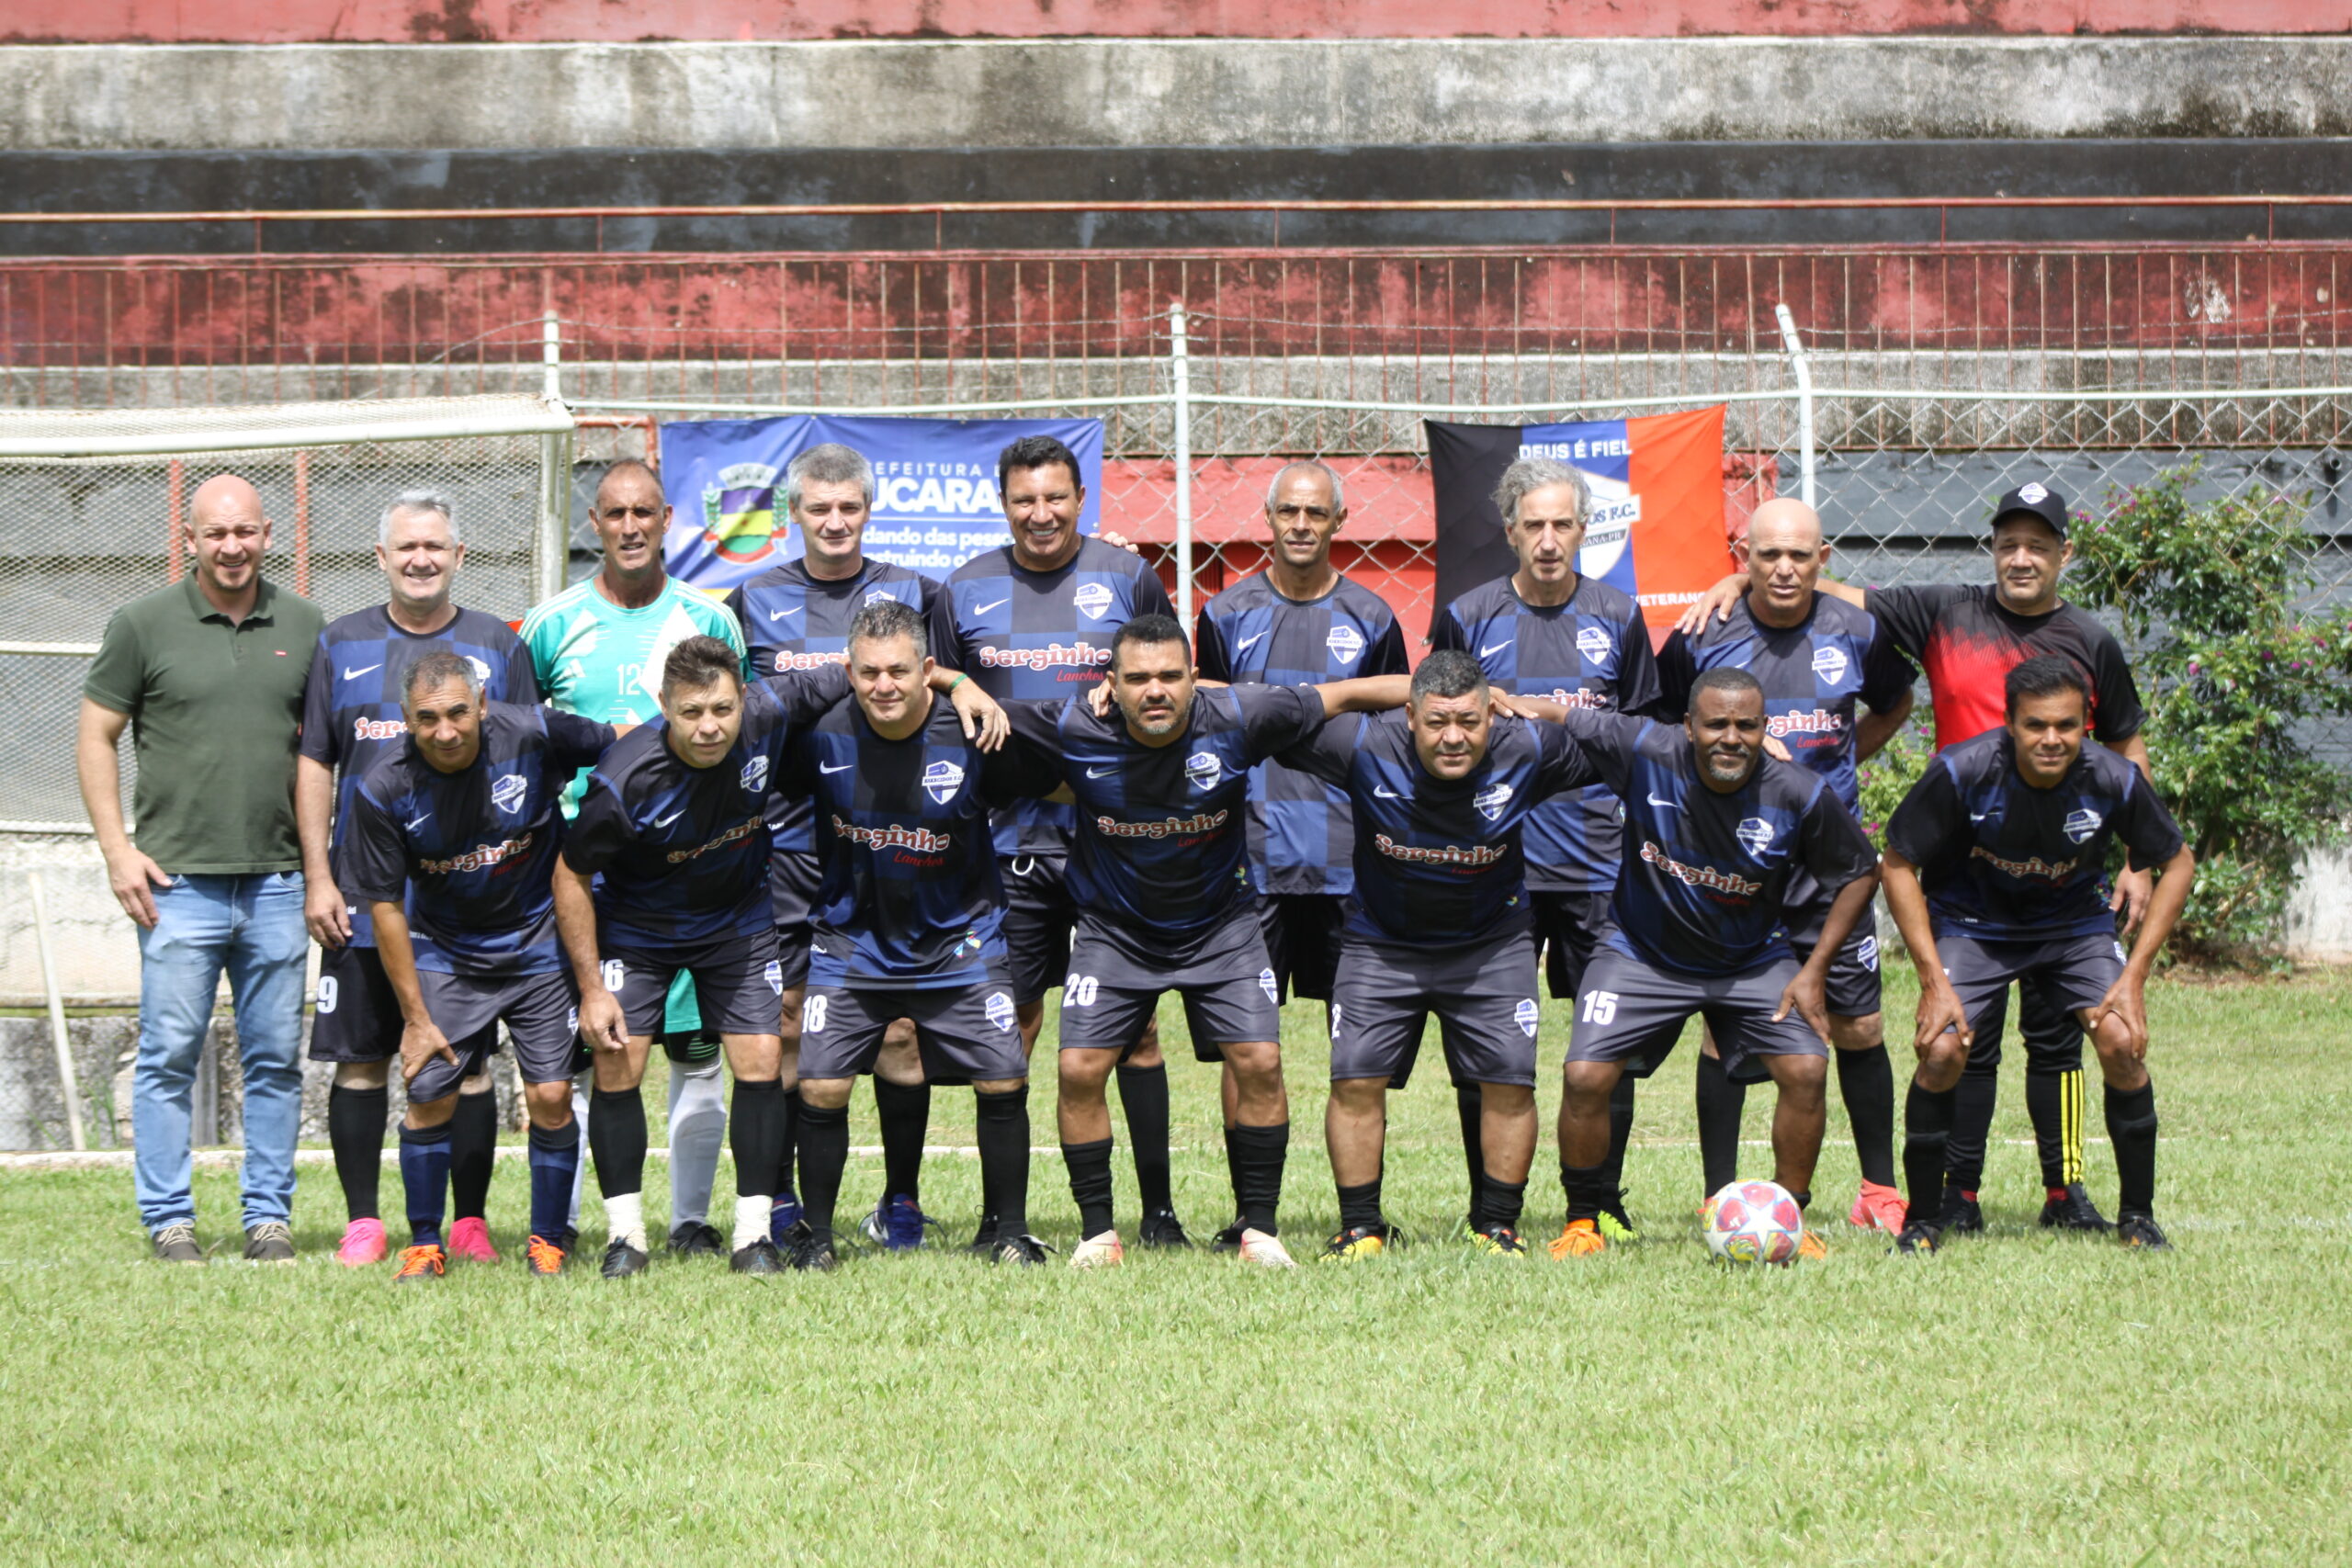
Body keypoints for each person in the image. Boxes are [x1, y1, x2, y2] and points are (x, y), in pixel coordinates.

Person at [1679, 481, 2152, 1230]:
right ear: (1991, 548)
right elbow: (1822, 585)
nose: (2022, 558)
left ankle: (2065, 1188)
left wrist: (2138, 856)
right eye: (2009, 543)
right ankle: (1958, 1192)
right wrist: (1738, 577)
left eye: (2039, 545)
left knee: (2058, 1036)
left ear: (2065, 553)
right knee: (1966, 1036)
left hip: (2065, 865)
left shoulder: (2091, 640)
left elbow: (2126, 741)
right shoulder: (1945, 610)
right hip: (1964, 862)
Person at [555, 636, 1001, 1278]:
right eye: (690, 713)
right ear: (663, 707)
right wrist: (594, 988)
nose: (709, 727)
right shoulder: (624, 778)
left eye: (721, 708)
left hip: (737, 922)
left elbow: (866, 670)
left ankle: (753, 1235)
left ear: (744, 698)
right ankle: (626, 1237)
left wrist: (957, 684)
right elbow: (570, 875)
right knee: (619, 1062)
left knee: (762, 1060)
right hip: (639, 929)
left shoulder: (770, 708)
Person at [1007, 615, 1409, 1269]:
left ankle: (1261, 1228)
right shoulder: (1072, 723)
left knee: (1259, 1061)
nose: (1155, 690)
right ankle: (1098, 1232)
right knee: (1079, 1069)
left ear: (1197, 679)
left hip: (1221, 927)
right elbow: (951, 708)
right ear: (1110, 684)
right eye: (1137, 678)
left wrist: (1440, 697)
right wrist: (959, 681)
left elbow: (1346, 694)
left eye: (1170, 675)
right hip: (1114, 930)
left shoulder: (1241, 713)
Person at [928, 434, 1192, 1249]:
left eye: (1055, 498)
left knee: (1136, 1026)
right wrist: (959, 679)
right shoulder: (965, 588)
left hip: (1114, 838)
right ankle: (1002, 1220)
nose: (1040, 515)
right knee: (1015, 1022)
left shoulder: (1127, 576)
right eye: (1023, 501)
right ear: (1002, 505)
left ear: (1083, 498)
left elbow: (1168, 680)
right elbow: (928, 687)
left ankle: (1158, 1216)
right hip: (1007, 843)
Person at [1273, 649, 1602, 1259]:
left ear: (1492, 717)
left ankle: (1497, 1226)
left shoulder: (1528, 748)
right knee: (1355, 1080)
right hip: (1380, 944)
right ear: (1409, 716)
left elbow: (1628, 746)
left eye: (1469, 721)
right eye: (1437, 721)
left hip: (1493, 945)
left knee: (1509, 1083)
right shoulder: (1362, 745)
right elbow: (1259, 715)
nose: (1454, 737)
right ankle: (1361, 1229)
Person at [1545, 667, 1881, 1259]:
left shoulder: (1799, 793)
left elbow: (1859, 873)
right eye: (1717, 724)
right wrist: (1493, 702)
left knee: (1805, 1070)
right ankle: (1582, 1221)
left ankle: (1789, 1216)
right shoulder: (1646, 749)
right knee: (1584, 1076)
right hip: (1640, 954)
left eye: (1747, 725)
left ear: (1765, 729)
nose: (1732, 737)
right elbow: (1561, 714)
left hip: (1752, 960)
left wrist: (1813, 970)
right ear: (1688, 727)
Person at [77, 473, 325, 1264]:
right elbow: (94, 736)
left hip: (280, 882)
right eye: (215, 533)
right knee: (168, 1057)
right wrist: (119, 851)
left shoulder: (307, 625)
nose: (232, 547)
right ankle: (169, 1219)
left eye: (245, 531)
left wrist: (323, 868)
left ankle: (268, 1218)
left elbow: (325, 754)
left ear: (267, 534)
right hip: (175, 885)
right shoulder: (143, 624)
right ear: (189, 539)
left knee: (274, 1059)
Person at [1655, 497, 1917, 1233]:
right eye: (1768, 554)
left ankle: (1878, 1191)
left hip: (1829, 868)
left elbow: (1896, 704)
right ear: (1743, 554)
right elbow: (1660, 722)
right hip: (1736, 863)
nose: (1783, 568)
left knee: (1859, 1025)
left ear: (1822, 560)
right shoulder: (1705, 630)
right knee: (1726, 1029)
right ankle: (1720, 1195)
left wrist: (1824, 775)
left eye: (1800, 555)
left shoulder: (1857, 630)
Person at [297, 488, 540, 1269]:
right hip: (364, 898)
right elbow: (314, 763)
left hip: (464, 905)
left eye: (434, 546)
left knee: (461, 1064)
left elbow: (528, 757)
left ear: (458, 555)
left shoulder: (497, 646)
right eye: (406, 547)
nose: (421, 558)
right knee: (364, 1055)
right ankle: (365, 1221)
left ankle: (467, 1220)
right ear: (382, 558)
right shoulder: (340, 644)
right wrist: (317, 875)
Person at [778, 601, 1058, 1270]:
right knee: (819, 1085)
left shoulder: (975, 731)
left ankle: (1007, 1231)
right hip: (853, 939)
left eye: (900, 670)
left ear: (928, 669)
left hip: (959, 938)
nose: (884, 685)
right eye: (869, 671)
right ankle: (816, 1239)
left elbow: (1065, 773)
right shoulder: (817, 736)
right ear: (848, 671)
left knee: (1001, 1076)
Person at [1881, 657, 2194, 1253]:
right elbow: (1896, 862)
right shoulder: (1961, 771)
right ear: (2009, 723)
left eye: (2067, 725)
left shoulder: (2112, 777)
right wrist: (1931, 979)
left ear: (2085, 726)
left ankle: (2137, 1218)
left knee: (2123, 1042)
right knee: (1944, 1048)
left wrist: (2135, 975)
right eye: (2036, 725)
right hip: (1972, 926)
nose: (2052, 738)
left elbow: (2177, 862)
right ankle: (1924, 1219)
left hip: (2072, 927)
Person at [1429, 456, 1663, 1240]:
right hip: (1494, 861)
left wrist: (1541, 712)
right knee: (1489, 1040)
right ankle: (1487, 1209)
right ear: (1509, 532)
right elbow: (1434, 727)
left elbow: (1640, 737)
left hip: (1599, 859)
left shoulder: (1619, 615)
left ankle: (1599, 1202)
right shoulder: (1466, 616)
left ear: (1585, 530)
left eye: (1564, 523)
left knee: (1608, 1040)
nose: (1550, 539)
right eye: (1534, 524)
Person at [518, 459, 748, 1259]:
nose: (628, 526)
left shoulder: (709, 618)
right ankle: (589, 1222)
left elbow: (738, 730)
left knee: (697, 1050)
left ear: (668, 517)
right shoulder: (548, 623)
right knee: (602, 1052)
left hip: (697, 872)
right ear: (593, 520)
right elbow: (525, 742)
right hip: (592, 876)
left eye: (643, 511)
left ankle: (690, 1220)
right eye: (614, 512)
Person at [722, 443, 942, 1252]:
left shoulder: (917, 592)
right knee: (783, 1024)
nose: (835, 522)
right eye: (820, 508)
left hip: (884, 834)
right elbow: (734, 709)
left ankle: (902, 1198)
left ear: (868, 510)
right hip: (784, 839)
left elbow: (945, 675)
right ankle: (779, 1195)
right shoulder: (753, 599)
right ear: (795, 515)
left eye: (849, 507)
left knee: (898, 1026)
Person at [341, 654, 619, 1280]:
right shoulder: (384, 787)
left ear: (483, 706)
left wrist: (607, 826)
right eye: (428, 718)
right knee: (429, 1093)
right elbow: (384, 907)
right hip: (447, 952)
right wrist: (414, 1017)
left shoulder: (534, 733)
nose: (446, 730)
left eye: (458, 713)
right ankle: (424, 1241)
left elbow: (623, 745)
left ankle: (547, 1241)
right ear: (407, 721)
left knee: (551, 1094)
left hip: (539, 945)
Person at [1194, 460, 1410, 1020]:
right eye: (1288, 510)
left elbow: (1392, 735)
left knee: (1359, 1034)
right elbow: (1213, 728)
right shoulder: (1223, 615)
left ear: (1340, 520)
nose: (1301, 523)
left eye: (1316, 511)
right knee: (1245, 1039)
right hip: (1250, 858)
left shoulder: (1373, 617)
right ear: (1268, 516)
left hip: (1347, 859)